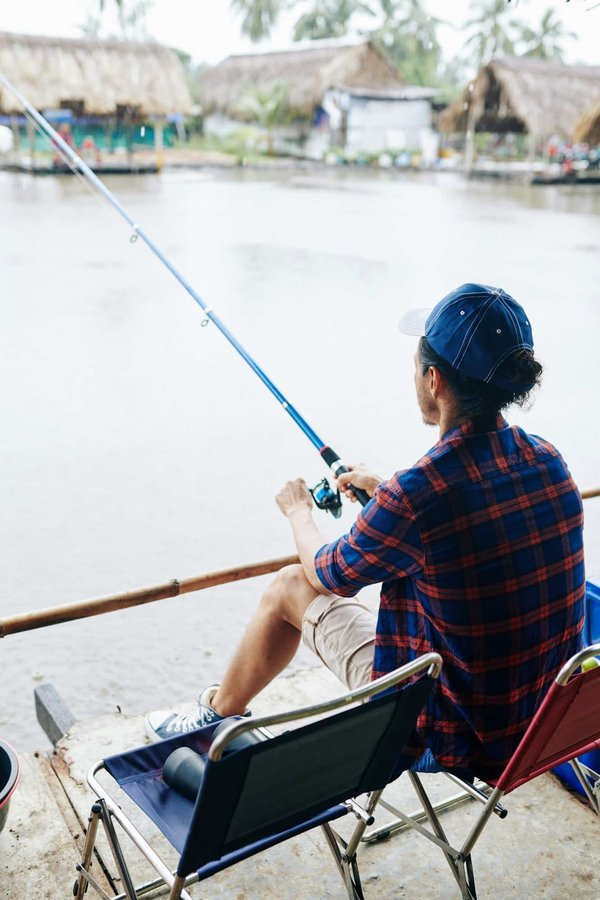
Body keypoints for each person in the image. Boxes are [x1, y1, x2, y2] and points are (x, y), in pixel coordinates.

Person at [146, 283, 585, 782]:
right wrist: (384, 494)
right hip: (541, 725)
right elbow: (471, 518)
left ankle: (215, 715)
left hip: (449, 736)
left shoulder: (418, 494)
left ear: (434, 379)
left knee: (289, 585)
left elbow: (328, 574)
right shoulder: (549, 461)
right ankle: (218, 712)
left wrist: (297, 512)